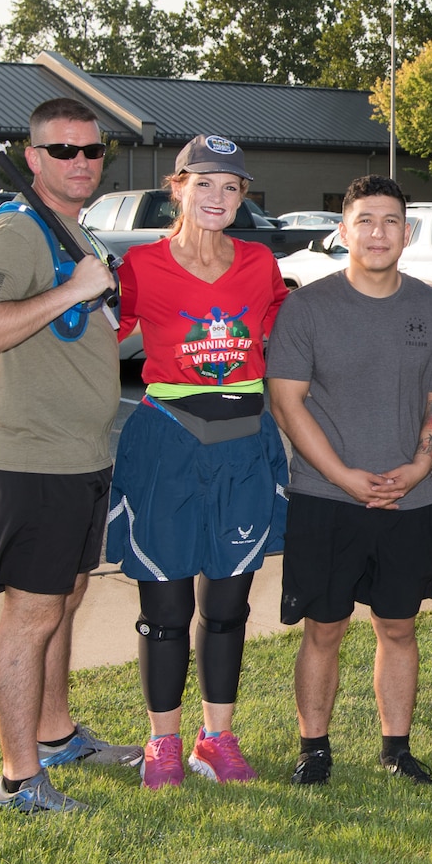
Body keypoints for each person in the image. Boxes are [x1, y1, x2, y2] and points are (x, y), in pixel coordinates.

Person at [0, 97, 141, 813]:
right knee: (31, 614)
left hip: (79, 455)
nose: (81, 162)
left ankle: (57, 734)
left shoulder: (69, 229)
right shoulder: (14, 232)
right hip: (29, 457)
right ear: (32, 159)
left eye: (92, 151)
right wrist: (72, 287)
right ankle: (18, 778)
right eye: (63, 151)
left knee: (66, 596)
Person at [105, 135, 289, 789]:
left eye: (231, 186)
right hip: (168, 444)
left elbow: (292, 335)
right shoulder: (137, 267)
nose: (217, 197)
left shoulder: (260, 263)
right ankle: (163, 743)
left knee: (229, 604)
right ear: (176, 186)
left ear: (243, 198)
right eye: (203, 183)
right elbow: (97, 336)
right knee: (165, 608)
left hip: (242, 442)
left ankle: (217, 739)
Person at [268, 176, 432, 787]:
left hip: (409, 499)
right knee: (325, 628)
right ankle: (314, 749)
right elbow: (287, 403)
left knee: (398, 625)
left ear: (407, 233)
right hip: (326, 499)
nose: (378, 233)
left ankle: (396, 749)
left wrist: (421, 466)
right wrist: (345, 477)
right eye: (365, 221)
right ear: (342, 231)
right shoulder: (307, 307)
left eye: (391, 222)